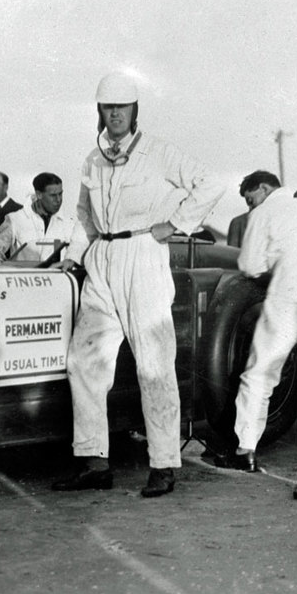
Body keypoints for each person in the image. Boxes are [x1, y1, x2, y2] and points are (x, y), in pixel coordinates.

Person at [52, 73, 224, 497]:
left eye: (122, 107)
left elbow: (211, 184)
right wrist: (73, 254)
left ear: (134, 111)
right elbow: (84, 217)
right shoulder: (92, 160)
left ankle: (163, 464)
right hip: (102, 260)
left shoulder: (158, 152)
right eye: (108, 107)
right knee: (84, 361)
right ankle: (93, 461)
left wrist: (176, 223)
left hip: (143, 256)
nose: (115, 114)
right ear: (99, 111)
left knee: (153, 365)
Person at [216, 171, 297, 471]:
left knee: (260, 375)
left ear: (263, 189)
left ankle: (245, 452)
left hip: (292, 299)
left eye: (250, 199)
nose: (250, 206)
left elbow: (250, 266)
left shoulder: (264, 213)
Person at [0, 172, 83, 265]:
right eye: (53, 195)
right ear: (39, 194)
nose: (58, 199)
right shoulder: (15, 219)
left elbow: (80, 249)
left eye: (60, 194)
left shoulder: (68, 223)